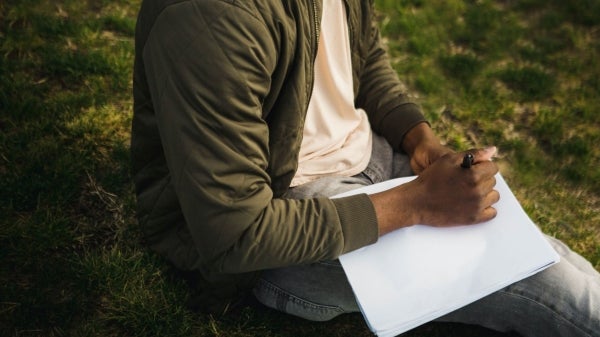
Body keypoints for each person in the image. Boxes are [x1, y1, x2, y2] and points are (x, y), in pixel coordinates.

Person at [131, 0, 600, 336]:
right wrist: (416, 203)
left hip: (371, 157)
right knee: (539, 282)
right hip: (287, 214)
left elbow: (364, 60)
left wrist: (421, 142)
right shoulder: (209, 18)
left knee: (530, 245)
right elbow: (237, 234)